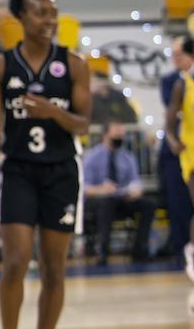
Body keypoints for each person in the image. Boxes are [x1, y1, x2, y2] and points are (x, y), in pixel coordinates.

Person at [0, 0, 91, 329]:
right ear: (21, 17)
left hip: (61, 171)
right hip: (19, 172)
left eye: (53, 13)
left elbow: (84, 125)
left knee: (54, 268)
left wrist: (53, 112)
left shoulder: (74, 65)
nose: (49, 20)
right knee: (15, 262)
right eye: (40, 13)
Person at [83, 121, 157, 266]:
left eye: (122, 134)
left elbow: (136, 181)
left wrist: (135, 190)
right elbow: (84, 187)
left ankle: (140, 250)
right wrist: (101, 189)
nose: (120, 137)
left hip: (122, 198)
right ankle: (103, 252)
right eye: (116, 134)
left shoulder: (127, 157)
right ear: (105, 135)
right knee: (107, 203)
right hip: (98, 201)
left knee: (149, 205)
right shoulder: (92, 157)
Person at [158, 36, 194, 263]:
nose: (174, 59)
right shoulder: (182, 83)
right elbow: (170, 123)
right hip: (190, 151)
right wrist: (172, 141)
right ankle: (190, 254)